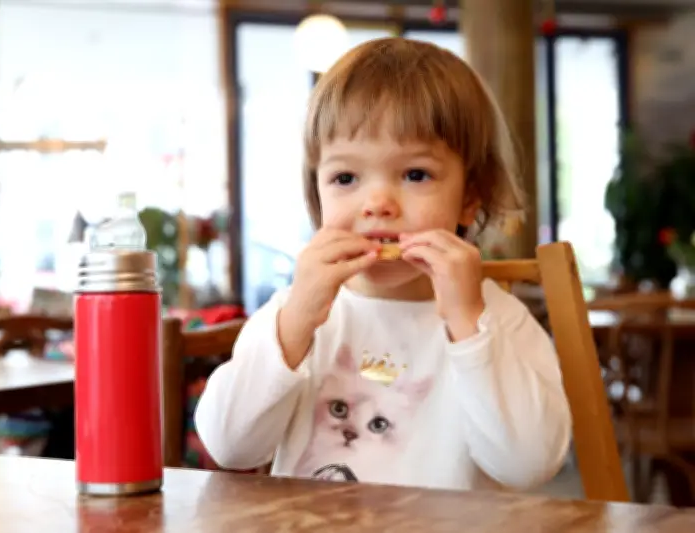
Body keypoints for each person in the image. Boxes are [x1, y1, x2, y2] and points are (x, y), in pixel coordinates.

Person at [195, 37, 572, 491]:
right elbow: (229, 447)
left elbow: (529, 466)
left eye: (415, 175)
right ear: (317, 196)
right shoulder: (293, 317)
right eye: (345, 178)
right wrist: (294, 323)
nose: (377, 203)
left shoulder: (497, 322)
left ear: (469, 199)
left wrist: (469, 324)